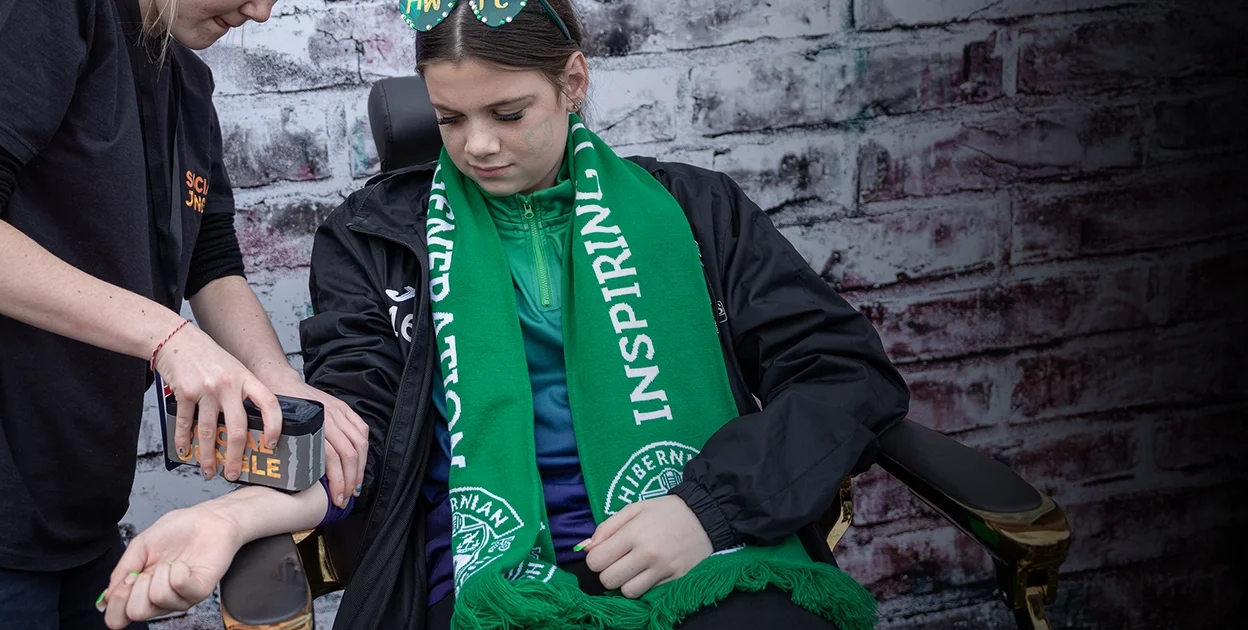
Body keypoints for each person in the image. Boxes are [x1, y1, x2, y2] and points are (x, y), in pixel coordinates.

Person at [97, 1, 910, 629]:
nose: (477, 144)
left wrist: (706, 509)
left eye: (508, 114)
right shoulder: (375, 242)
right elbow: (360, 436)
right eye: (450, 119)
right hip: (489, 580)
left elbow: (844, 375)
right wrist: (225, 518)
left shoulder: (696, 213)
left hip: (701, 549)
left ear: (574, 83)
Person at [0, 1, 372, 627]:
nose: (262, 11)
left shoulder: (185, 79)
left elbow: (209, 262)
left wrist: (282, 382)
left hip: (77, 513)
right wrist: (170, 339)